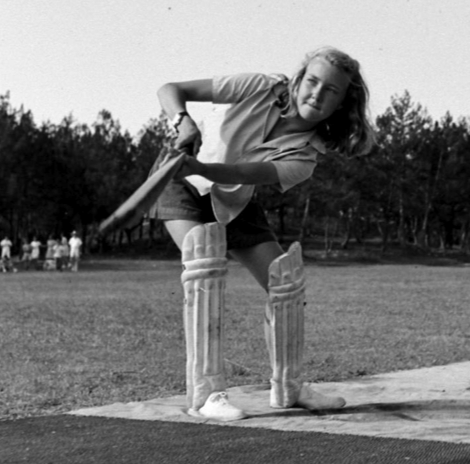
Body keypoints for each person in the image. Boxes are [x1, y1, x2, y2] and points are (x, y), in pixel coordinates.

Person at [152, 46, 375, 421]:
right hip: (180, 181)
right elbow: (169, 89)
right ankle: (207, 395)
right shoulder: (258, 86)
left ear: (342, 103)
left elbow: (240, 174)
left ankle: (288, 388)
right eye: (312, 81)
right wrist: (183, 122)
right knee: (204, 266)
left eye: (331, 91)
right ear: (299, 79)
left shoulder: (304, 157)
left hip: (230, 194)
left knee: (285, 282)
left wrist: (203, 165)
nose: (317, 94)